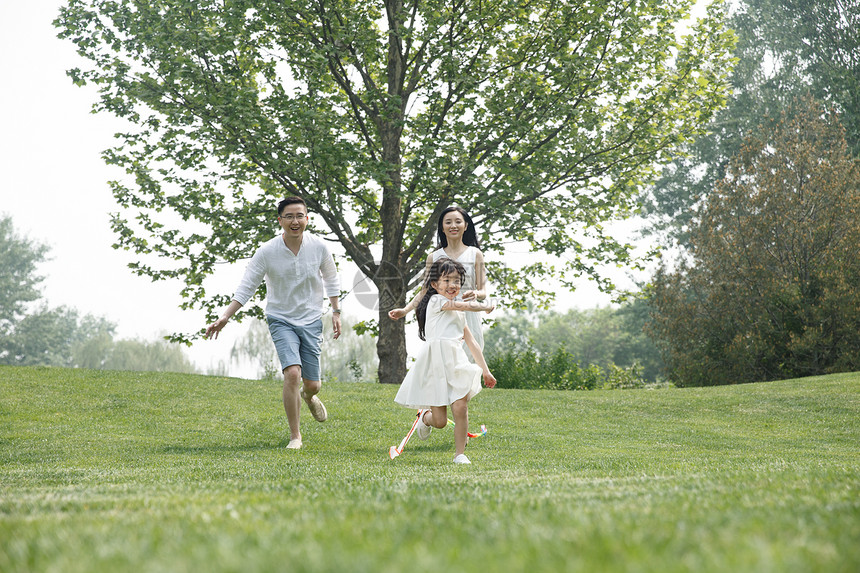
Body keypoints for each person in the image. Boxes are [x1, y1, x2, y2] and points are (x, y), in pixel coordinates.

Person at [204, 196, 341, 450]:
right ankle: (295, 436)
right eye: (289, 216)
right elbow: (247, 286)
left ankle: (308, 397)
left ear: (307, 219)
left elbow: (331, 279)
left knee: (313, 384)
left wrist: (336, 311)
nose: (295, 221)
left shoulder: (319, 247)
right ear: (280, 221)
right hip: (281, 319)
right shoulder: (266, 251)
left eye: (300, 216)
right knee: (292, 373)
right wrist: (225, 316)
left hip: (311, 318)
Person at [394, 257, 496, 464]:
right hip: (435, 365)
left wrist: (485, 370)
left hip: (456, 363)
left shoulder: (458, 312)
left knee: (460, 407)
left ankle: (460, 454)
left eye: (457, 281)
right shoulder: (436, 301)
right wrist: (485, 306)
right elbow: (464, 306)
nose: (453, 285)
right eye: (447, 280)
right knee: (439, 422)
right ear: (434, 284)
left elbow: (472, 343)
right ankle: (425, 418)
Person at [388, 206, 489, 352]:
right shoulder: (433, 257)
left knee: (470, 365)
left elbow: (483, 291)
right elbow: (425, 290)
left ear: (466, 226)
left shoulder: (475, 254)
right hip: (442, 318)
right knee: (444, 364)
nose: (453, 226)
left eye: (458, 222)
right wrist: (405, 310)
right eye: (448, 222)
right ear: (442, 227)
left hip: (469, 315)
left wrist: (476, 294)